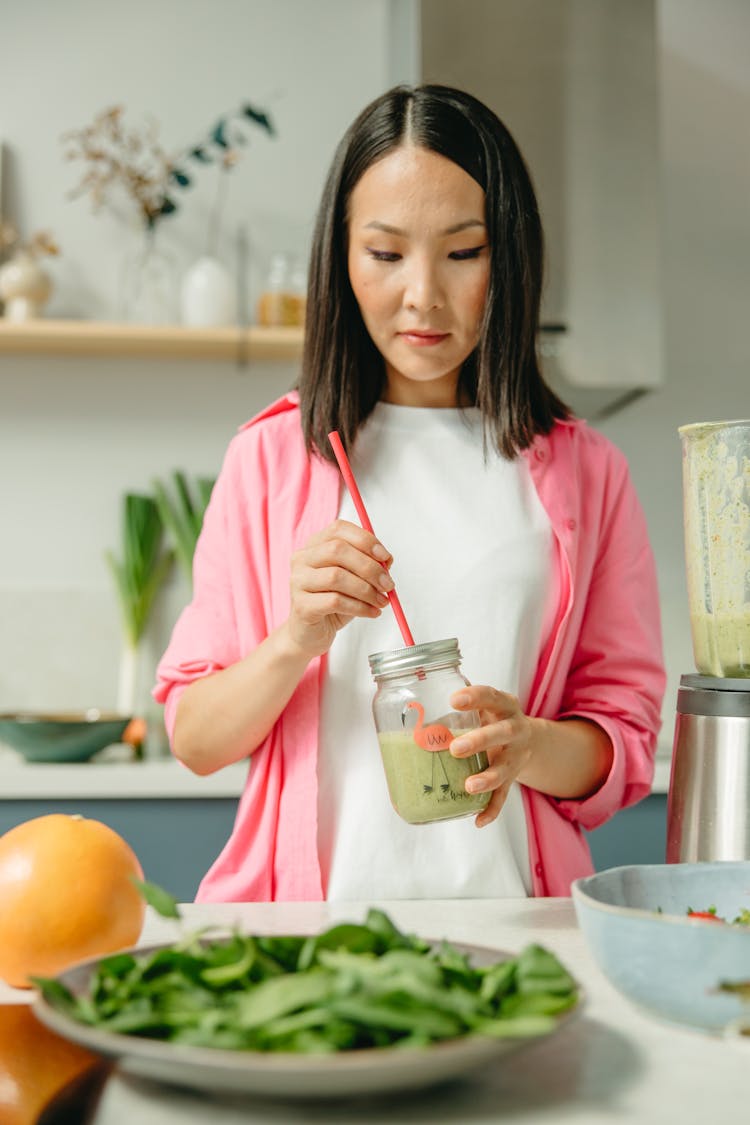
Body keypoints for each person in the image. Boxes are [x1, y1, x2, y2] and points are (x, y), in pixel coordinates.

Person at [154, 84, 665, 903]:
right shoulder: (271, 458)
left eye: (463, 252)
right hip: (310, 943)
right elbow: (196, 738)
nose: (422, 294)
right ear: (341, 257)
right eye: (386, 254)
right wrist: (296, 637)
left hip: (516, 932)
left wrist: (528, 745)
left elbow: (624, 747)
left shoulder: (587, 471)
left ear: (511, 257)